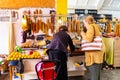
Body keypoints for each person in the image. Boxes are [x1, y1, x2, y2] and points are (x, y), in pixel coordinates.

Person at [81, 15, 106, 80]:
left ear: (87, 22)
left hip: (94, 54)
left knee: (94, 75)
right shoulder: (96, 26)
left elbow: (89, 39)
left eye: (84, 23)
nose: (84, 25)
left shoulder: (91, 26)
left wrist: (83, 33)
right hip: (98, 52)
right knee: (97, 74)